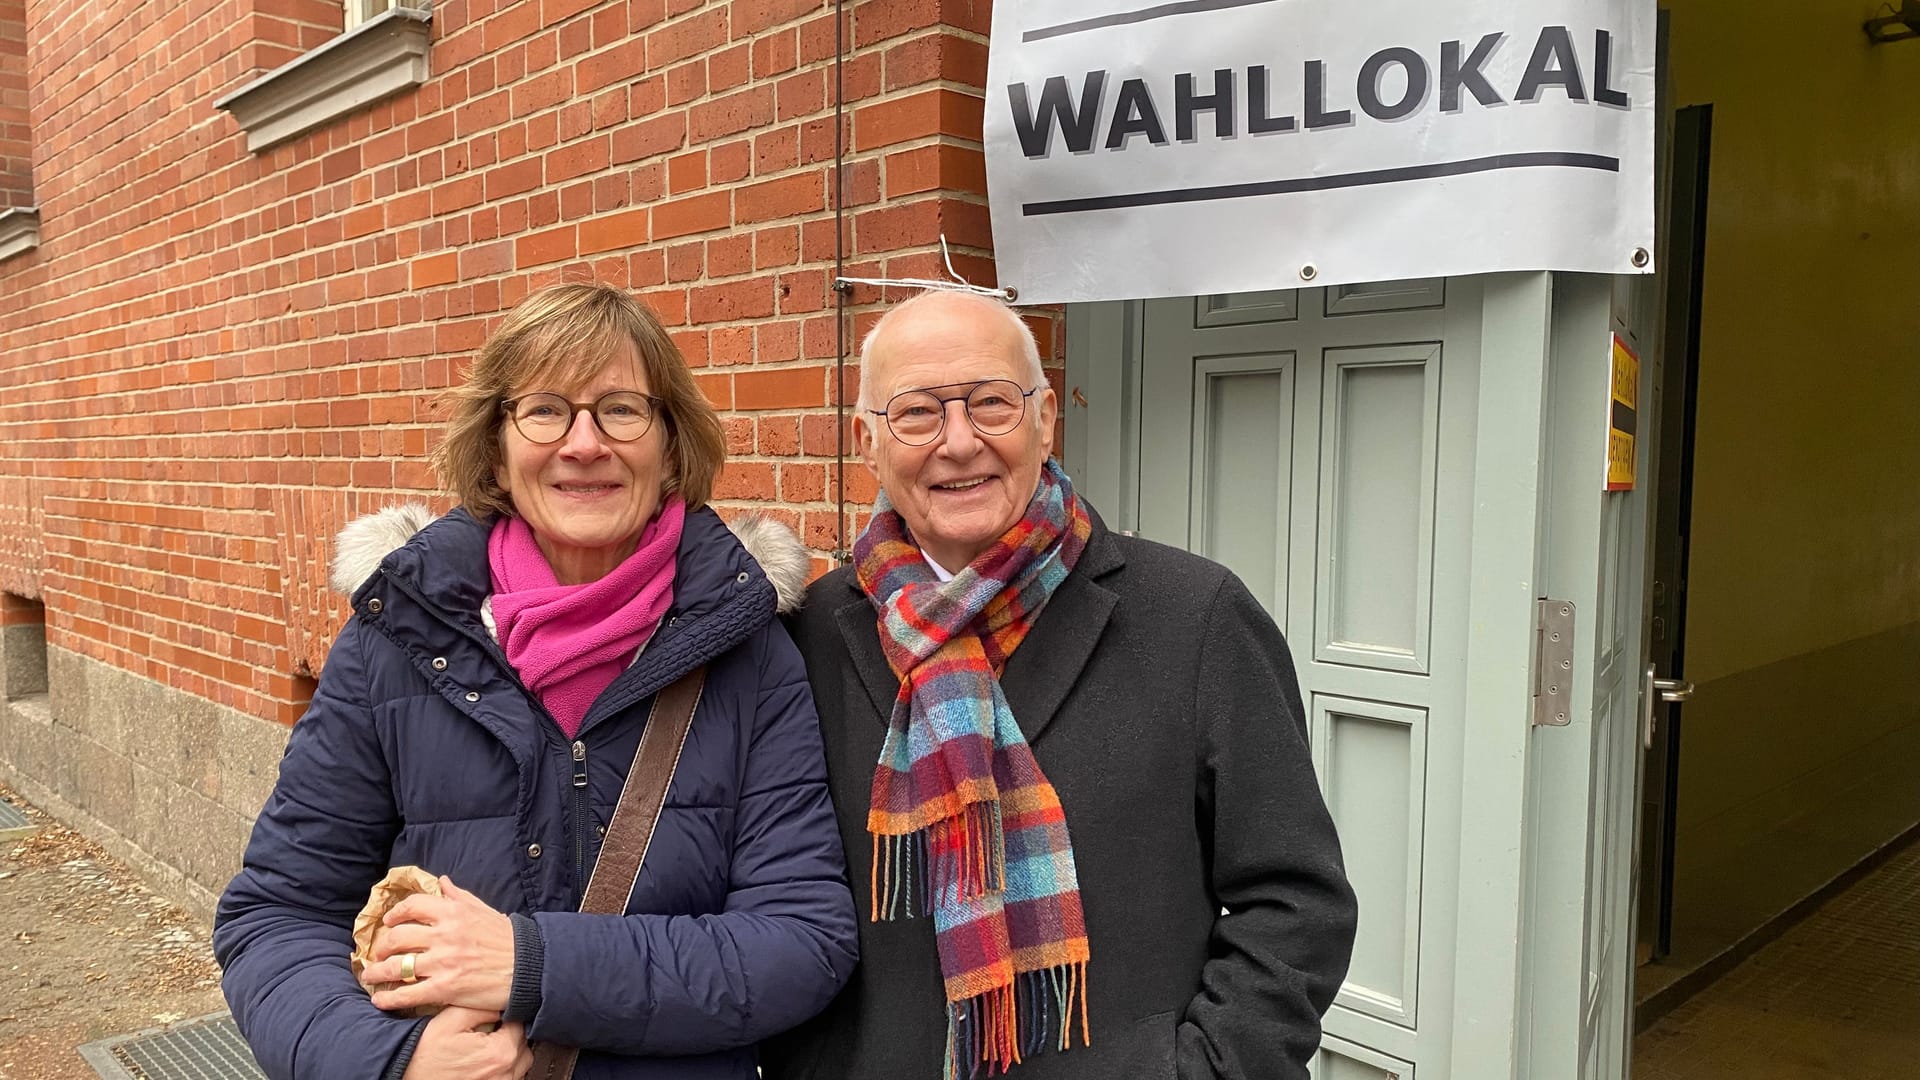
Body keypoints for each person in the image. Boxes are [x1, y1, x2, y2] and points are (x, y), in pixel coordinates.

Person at [214, 282, 858, 1080]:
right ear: (496, 447)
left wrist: (528, 962)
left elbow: (801, 939)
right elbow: (277, 916)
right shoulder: (396, 641)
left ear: (670, 448)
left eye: (622, 409)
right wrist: (392, 1063)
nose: (584, 444)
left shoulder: (750, 651)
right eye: (545, 409)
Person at [759, 290, 1357, 1080]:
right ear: (868, 442)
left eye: (991, 404)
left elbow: (1294, 903)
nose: (960, 441)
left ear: (1045, 420)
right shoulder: (807, 636)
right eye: (918, 413)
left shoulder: (1195, 616)